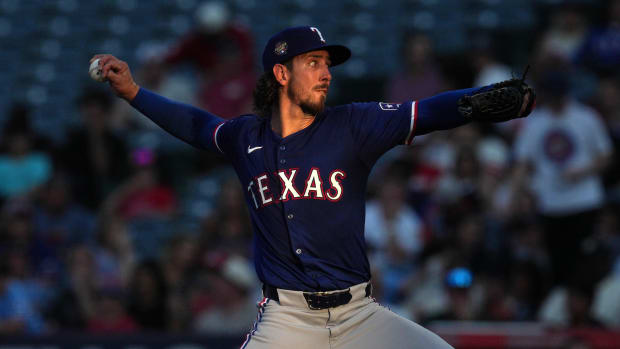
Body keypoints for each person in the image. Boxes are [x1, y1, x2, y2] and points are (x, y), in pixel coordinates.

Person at [91, 26, 534, 349]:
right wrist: (133, 92)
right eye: (314, 63)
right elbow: (194, 124)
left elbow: (423, 112)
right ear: (281, 74)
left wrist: (469, 104)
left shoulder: (353, 124)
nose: (326, 74)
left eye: (328, 65)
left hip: (359, 314)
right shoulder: (246, 137)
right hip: (287, 320)